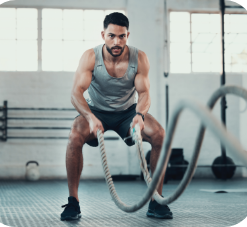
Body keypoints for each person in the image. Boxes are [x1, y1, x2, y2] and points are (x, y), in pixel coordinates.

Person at [60, 12, 173, 221]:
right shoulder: (90, 57)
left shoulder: (139, 58)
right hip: (95, 111)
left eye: (122, 36)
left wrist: (140, 114)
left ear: (127, 35)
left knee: (159, 135)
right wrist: (90, 118)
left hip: (127, 113)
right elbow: (76, 93)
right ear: (103, 35)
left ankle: (156, 201)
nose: (117, 41)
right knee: (74, 136)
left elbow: (145, 93)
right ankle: (73, 202)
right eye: (111, 36)